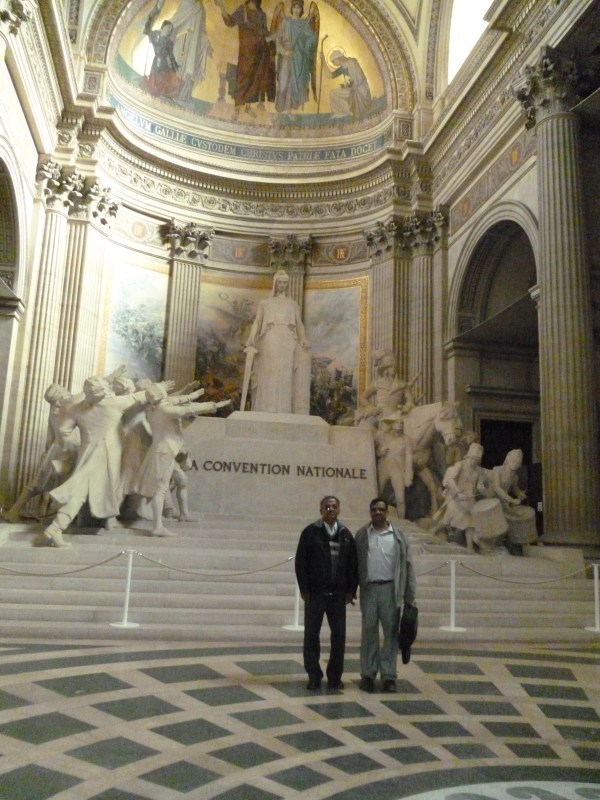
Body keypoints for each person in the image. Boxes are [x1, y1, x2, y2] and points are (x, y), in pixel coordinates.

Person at [43, 376, 148, 547]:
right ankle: (56, 528)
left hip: (87, 453)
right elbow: (140, 396)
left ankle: (58, 527)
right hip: (107, 457)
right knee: (82, 491)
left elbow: (63, 430)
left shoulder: (77, 408)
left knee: (81, 490)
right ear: (105, 389)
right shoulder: (114, 403)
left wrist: (81, 442)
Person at [134, 383, 231, 537]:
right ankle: (157, 527)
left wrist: (195, 395)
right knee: (160, 490)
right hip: (164, 451)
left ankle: (175, 518)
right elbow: (188, 410)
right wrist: (213, 405)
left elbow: (178, 402)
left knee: (171, 484)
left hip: (164, 450)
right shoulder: (164, 410)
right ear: (161, 394)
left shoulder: (153, 409)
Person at [295, 495, 358, 690]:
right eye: (327, 506)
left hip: (338, 596)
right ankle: (314, 676)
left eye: (334, 506)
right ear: (321, 510)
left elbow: (353, 565)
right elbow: (301, 562)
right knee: (311, 636)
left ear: (339, 510)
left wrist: (351, 590)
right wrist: (304, 589)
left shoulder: (346, 534)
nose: (331, 509)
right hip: (315, 594)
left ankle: (334, 677)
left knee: (338, 638)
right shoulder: (310, 533)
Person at [355, 498, 416, 693]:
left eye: (381, 509)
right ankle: (368, 674)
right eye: (374, 509)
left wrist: (410, 595)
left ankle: (389, 675)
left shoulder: (398, 536)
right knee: (369, 632)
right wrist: (350, 590)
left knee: (391, 633)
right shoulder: (362, 535)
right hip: (369, 589)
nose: (378, 512)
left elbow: (408, 566)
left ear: (386, 512)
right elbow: (354, 564)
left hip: (391, 589)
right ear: (370, 512)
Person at [243, 269, 311, 414]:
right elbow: (257, 322)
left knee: (286, 372)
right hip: (270, 337)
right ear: (275, 283)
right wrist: (251, 338)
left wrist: (303, 338)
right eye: (280, 282)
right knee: (270, 370)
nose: (282, 285)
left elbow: (299, 324)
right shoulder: (265, 303)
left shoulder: (293, 304)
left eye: (285, 283)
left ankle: (284, 408)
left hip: (288, 338)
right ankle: (266, 407)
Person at [214, 0, 275, 117]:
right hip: (246, 52)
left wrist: (273, 36)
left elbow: (265, 31)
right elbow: (230, 22)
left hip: (260, 51)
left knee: (255, 79)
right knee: (242, 79)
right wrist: (222, 7)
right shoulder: (243, 10)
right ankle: (237, 110)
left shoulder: (261, 14)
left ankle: (248, 107)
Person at [433, 442, 489, 549]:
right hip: (456, 498)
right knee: (447, 520)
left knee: (470, 523)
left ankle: (469, 547)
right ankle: (434, 530)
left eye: (476, 460)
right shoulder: (460, 465)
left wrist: (482, 489)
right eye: (472, 458)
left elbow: (480, 485)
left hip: (469, 500)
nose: (473, 461)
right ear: (468, 456)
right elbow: (450, 480)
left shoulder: (478, 471)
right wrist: (458, 492)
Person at [270, 1, 319, 117]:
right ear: (291, 9)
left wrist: (307, 44)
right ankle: (279, 110)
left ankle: (288, 110)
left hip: (298, 58)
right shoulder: (286, 22)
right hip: (286, 57)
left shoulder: (304, 24)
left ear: (301, 10)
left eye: (299, 8)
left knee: (293, 85)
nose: (296, 10)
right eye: (295, 7)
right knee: (283, 83)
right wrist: (284, 51)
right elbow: (278, 40)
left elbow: (312, 38)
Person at [171, 0, 213, 104]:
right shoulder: (186, 2)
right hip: (182, 39)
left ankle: (183, 95)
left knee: (190, 69)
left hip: (194, 45)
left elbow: (202, 30)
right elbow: (176, 19)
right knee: (177, 64)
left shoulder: (201, 9)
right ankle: (170, 90)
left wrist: (206, 44)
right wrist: (164, 30)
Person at [375, 412, 413, 520]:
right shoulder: (382, 436)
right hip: (384, 468)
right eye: (397, 422)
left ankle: (401, 521)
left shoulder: (406, 439)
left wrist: (408, 476)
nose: (400, 425)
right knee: (377, 493)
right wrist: (380, 452)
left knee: (400, 498)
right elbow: (372, 451)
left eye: (401, 423)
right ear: (391, 424)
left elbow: (409, 459)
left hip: (397, 470)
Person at [142, 1, 182, 98]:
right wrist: (151, 17)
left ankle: (164, 93)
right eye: (168, 27)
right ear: (163, 26)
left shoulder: (169, 42)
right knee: (155, 77)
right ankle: (154, 91)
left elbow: (171, 55)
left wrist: (174, 65)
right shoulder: (155, 35)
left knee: (166, 77)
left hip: (164, 63)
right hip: (157, 60)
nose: (169, 30)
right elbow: (147, 31)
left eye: (170, 29)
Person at [320, 47, 371, 119]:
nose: (333, 64)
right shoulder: (342, 67)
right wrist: (323, 61)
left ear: (338, 58)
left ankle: (349, 110)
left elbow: (357, 79)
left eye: (333, 61)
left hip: (360, 89)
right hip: (351, 88)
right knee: (333, 93)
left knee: (336, 93)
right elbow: (330, 75)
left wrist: (347, 86)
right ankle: (341, 112)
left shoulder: (351, 63)